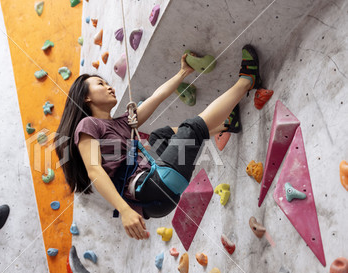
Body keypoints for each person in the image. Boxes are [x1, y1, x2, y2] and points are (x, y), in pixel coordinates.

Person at [55, 45, 261, 241]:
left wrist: (183, 73)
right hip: (151, 188)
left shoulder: (123, 123)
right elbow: (94, 171)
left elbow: (158, 96)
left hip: (157, 197)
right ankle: (247, 81)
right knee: (192, 128)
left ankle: (226, 124)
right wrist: (125, 211)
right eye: (100, 84)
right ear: (86, 98)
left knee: (158, 136)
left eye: (107, 83)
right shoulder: (87, 124)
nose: (109, 87)